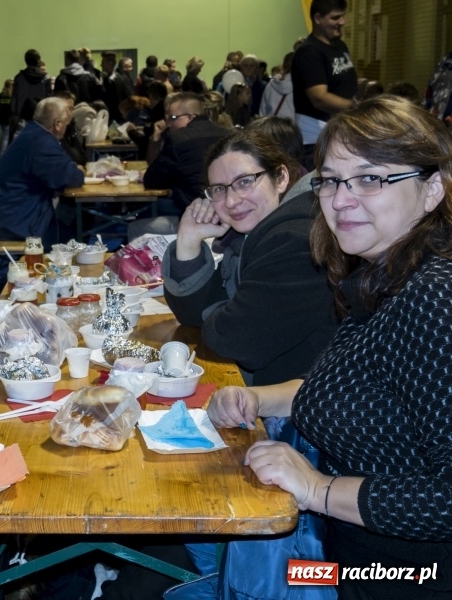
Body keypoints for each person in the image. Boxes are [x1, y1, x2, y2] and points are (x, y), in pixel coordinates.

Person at [207, 95, 452, 599]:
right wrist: (258, 399)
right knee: (235, 572)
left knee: (238, 573)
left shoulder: (434, 295)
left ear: (432, 190)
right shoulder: (381, 277)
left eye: (371, 178)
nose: (341, 199)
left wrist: (317, 488)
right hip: (347, 558)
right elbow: (357, 390)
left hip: (406, 576)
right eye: (332, 181)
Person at [163, 129, 339, 386]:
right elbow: (192, 317)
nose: (232, 201)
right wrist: (189, 241)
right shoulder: (244, 241)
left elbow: (236, 339)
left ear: (280, 178)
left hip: (299, 412)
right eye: (220, 189)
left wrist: (225, 315)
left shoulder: (296, 241)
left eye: (245, 181)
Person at [0, 97, 85, 246]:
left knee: (68, 221)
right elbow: (69, 177)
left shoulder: (32, 133)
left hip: (9, 212)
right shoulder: (42, 142)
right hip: (19, 221)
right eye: (66, 123)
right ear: (58, 124)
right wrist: (78, 170)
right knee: (75, 231)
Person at [291, 0, 357, 168]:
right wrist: (356, 106)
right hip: (316, 140)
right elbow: (319, 98)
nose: (342, 22)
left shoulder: (340, 46)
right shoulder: (308, 52)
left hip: (340, 132)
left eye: (342, 16)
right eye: (335, 18)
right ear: (318, 18)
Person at [143, 92, 229, 214]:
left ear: (190, 116)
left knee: (145, 211)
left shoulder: (177, 139)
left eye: (173, 118)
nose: (168, 124)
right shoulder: (228, 135)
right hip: (227, 210)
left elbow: (152, 181)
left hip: (194, 212)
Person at [260, 51, 295, 120]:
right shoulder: (303, 87)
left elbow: (263, 111)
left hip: (273, 128)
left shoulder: (270, 85)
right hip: (293, 128)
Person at [0, 79, 14, 157]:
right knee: (6, 138)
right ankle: (2, 155)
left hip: (2, 119)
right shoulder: (12, 96)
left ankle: (4, 154)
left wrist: (2, 112)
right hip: (9, 119)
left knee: (5, 137)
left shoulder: (0, 95)